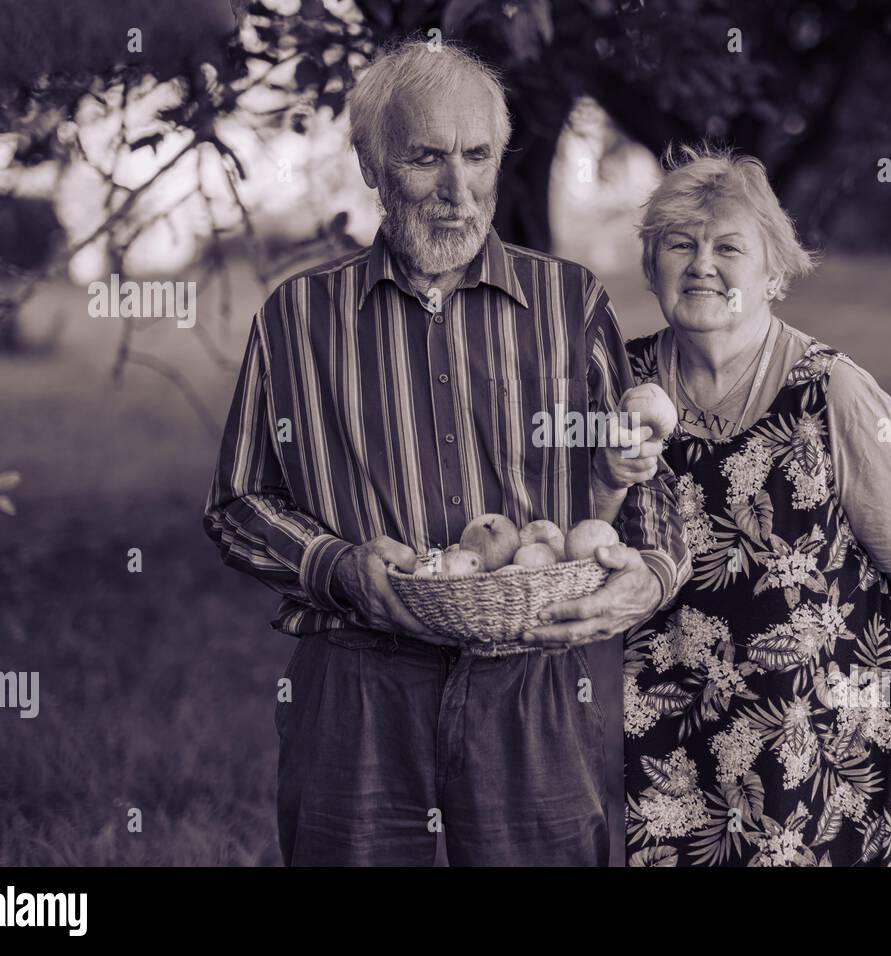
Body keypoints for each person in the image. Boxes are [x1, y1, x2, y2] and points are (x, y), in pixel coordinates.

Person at [202, 39, 689, 866]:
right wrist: (335, 564)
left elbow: (642, 479)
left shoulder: (570, 305)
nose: (457, 191)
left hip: (532, 683)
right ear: (370, 163)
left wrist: (654, 569)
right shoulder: (298, 319)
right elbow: (239, 503)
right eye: (425, 158)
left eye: (476, 156)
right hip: (357, 686)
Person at [596, 144, 891, 866]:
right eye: (679, 244)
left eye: (728, 247)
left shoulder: (832, 394)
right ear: (652, 268)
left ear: (774, 274)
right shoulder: (622, 383)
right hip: (667, 759)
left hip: (826, 759)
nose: (701, 263)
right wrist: (608, 471)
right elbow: (577, 541)